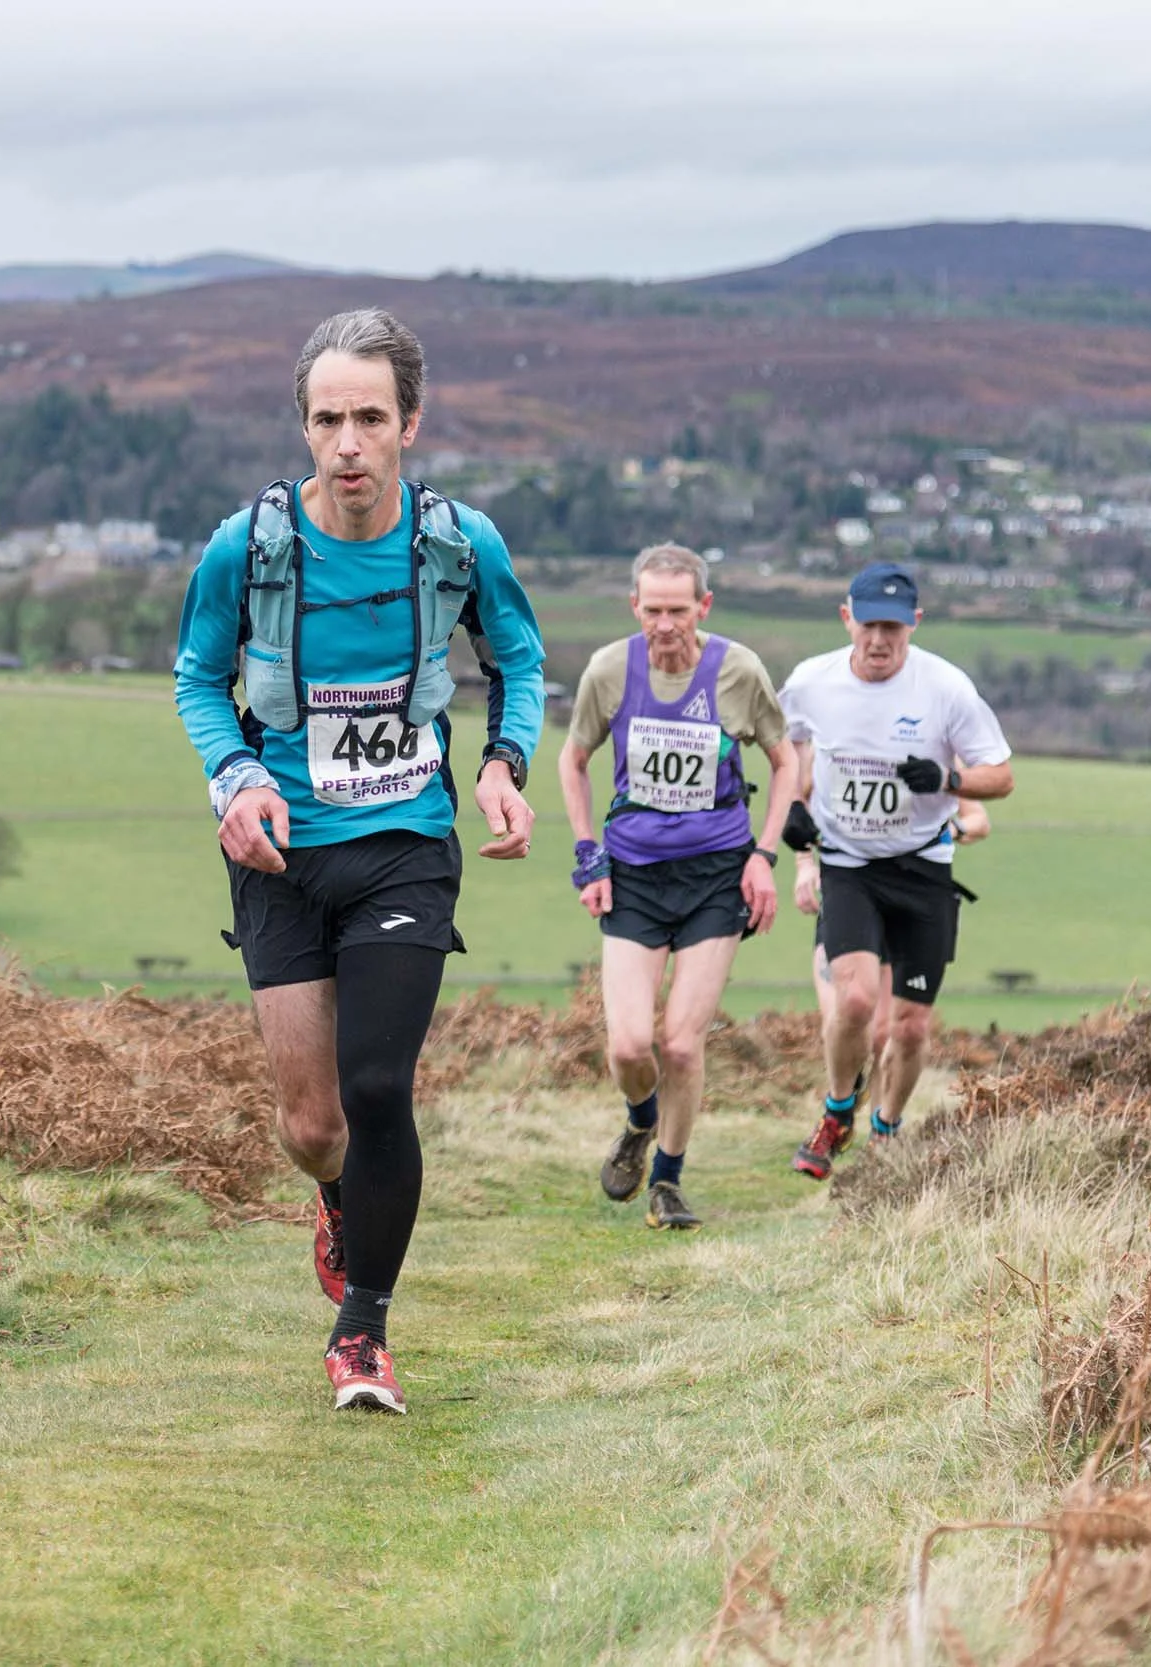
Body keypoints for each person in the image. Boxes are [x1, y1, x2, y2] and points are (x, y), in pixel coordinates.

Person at [173, 308, 546, 1414]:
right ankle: (338, 1200)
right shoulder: (245, 548)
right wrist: (235, 775)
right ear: (303, 426)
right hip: (282, 853)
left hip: (404, 845)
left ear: (409, 424)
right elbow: (198, 678)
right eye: (328, 419)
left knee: (377, 1087)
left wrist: (503, 763)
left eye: (370, 419)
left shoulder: (459, 544)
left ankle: (364, 1331)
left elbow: (518, 660)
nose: (348, 443)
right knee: (313, 1126)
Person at [558, 544, 797, 1230]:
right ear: (635, 606)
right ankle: (641, 1120)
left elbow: (786, 763)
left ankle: (666, 1181)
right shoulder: (610, 670)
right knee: (630, 1046)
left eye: (679, 610)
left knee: (684, 1044)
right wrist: (587, 850)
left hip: (715, 875)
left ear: (704, 606)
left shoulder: (739, 671)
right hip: (633, 875)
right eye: (653, 609)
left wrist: (764, 855)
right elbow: (573, 759)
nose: (665, 624)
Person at [778, 562, 1013, 1179]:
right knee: (855, 1001)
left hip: (923, 868)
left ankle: (887, 1128)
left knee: (908, 1030)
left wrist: (949, 779)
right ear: (846, 618)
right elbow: (783, 747)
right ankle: (837, 1112)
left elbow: (1002, 777)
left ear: (915, 624)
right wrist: (793, 810)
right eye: (868, 626)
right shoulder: (812, 682)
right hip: (848, 864)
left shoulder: (947, 688)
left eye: (893, 628)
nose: (879, 640)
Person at [798, 796, 989, 1131]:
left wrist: (953, 828)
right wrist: (804, 863)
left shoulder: (934, 766)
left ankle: (879, 1136)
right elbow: (799, 796)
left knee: (884, 1033)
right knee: (845, 1016)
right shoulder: (836, 759)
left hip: (910, 896)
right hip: (851, 893)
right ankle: (840, 1109)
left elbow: (979, 819)